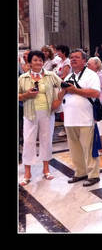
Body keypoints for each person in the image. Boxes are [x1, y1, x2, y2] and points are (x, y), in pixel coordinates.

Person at [56, 49, 101, 187]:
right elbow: (59, 97)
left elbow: (95, 93)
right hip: (70, 119)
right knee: (75, 149)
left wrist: (75, 90)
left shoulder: (91, 75)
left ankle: (93, 175)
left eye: (77, 57)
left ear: (84, 61)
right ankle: (80, 172)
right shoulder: (68, 77)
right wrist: (63, 90)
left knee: (88, 149)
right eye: (71, 57)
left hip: (85, 119)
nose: (73, 59)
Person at [18, 50, 63, 186]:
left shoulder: (51, 75)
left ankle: (46, 169)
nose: (38, 62)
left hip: (47, 113)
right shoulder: (23, 78)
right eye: (35, 60)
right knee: (28, 141)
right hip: (30, 113)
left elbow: (63, 86)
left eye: (40, 60)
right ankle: (27, 173)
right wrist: (26, 95)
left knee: (46, 140)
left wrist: (58, 100)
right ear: (30, 62)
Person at [87, 57, 102, 155]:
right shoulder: (92, 74)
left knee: (99, 128)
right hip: (92, 104)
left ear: (96, 65)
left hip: (98, 104)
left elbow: (96, 89)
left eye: (89, 64)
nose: (87, 66)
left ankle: (101, 149)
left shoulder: (100, 75)